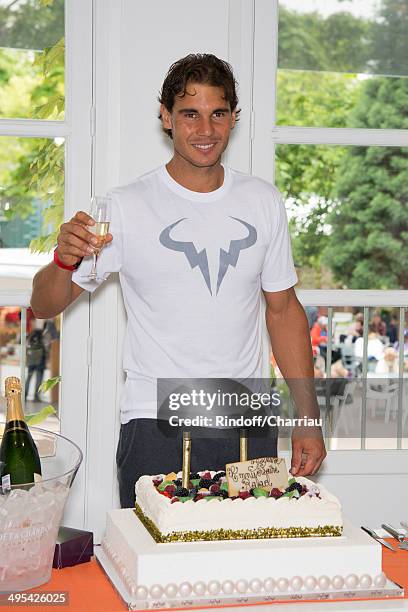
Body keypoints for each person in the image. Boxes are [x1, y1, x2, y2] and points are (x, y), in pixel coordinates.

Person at [30, 54, 326, 508]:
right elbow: (45, 304)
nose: (205, 130)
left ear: (233, 118)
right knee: (154, 564)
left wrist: (308, 417)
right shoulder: (126, 207)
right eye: (190, 114)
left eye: (218, 114)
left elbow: (283, 311)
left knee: (245, 560)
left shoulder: (262, 200)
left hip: (244, 416)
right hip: (154, 420)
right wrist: (64, 260)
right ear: (167, 117)